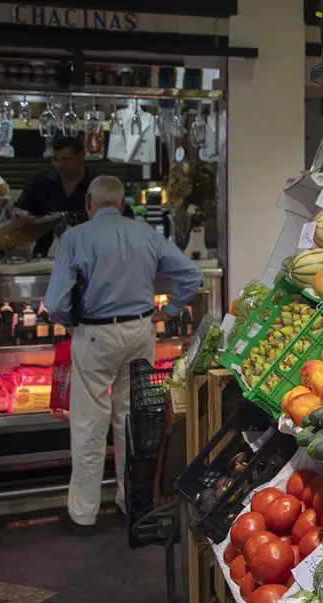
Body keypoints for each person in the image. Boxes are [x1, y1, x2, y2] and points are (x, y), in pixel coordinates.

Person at [44, 176, 202, 532]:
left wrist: (71, 322)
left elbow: (54, 303)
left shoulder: (75, 238)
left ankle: (84, 512)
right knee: (131, 419)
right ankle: (130, 499)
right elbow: (191, 274)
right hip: (139, 330)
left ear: (89, 202)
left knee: (89, 422)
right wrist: (172, 310)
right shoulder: (146, 234)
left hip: (95, 334)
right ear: (123, 203)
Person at [16, 134, 96, 257]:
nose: (59, 166)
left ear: (82, 155)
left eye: (66, 160)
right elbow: (18, 216)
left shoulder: (97, 184)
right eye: (55, 159)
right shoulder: (39, 183)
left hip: (89, 259)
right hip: (43, 260)